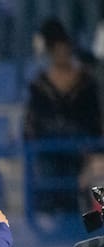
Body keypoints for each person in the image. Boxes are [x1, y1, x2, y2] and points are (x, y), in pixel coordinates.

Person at [24, 21, 103, 215]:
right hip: (50, 150)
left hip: (82, 148)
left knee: (93, 178)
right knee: (52, 182)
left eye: (64, 48)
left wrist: (93, 150)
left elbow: (94, 119)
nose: (62, 53)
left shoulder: (86, 82)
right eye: (56, 49)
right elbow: (33, 122)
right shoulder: (39, 85)